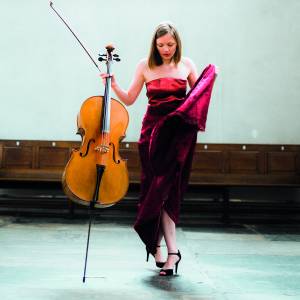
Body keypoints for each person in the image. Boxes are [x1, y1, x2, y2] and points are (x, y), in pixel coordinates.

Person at [101, 22, 217, 276]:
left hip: (176, 137)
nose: (166, 49)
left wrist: (189, 121)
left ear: (177, 44)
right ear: (155, 44)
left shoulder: (187, 64)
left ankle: (171, 252)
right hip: (151, 135)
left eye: (170, 45)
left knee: (168, 192)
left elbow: (197, 98)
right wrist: (113, 83)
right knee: (154, 192)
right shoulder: (145, 65)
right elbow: (130, 99)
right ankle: (158, 248)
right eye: (161, 45)